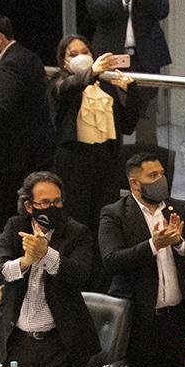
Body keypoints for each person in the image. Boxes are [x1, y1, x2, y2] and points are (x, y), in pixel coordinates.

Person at [97, 148, 185, 367]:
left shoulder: (179, 208)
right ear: (134, 183)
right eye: (153, 175)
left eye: (162, 173)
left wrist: (179, 242)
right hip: (139, 319)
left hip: (175, 317)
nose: (161, 179)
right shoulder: (114, 213)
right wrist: (153, 245)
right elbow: (112, 260)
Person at [0, 171, 102, 367]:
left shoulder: (76, 232)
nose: (52, 207)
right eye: (44, 203)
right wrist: (26, 261)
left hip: (60, 343)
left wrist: (46, 254)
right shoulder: (15, 227)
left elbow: (80, 274)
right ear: (29, 206)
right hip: (19, 341)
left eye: (57, 201)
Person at [83, 0, 171, 139]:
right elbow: (94, 8)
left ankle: (147, 167)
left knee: (146, 121)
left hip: (146, 56)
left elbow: (162, 9)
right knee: (108, 117)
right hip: (111, 56)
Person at [51, 34, 137, 234]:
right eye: (73, 54)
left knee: (104, 222)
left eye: (85, 52)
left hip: (106, 162)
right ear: (64, 60)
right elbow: (64, 90)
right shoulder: (58, 81)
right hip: (74, 163)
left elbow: (127, 125)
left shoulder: (105, 85)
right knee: (76, 221)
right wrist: (91, 72)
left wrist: (131, 90)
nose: (80, 56)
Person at [0, 13, 57, 213]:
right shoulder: (30, 57)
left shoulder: (10, 63)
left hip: (6, 161)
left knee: (1, 218)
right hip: (29, 155)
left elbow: (3, 108)